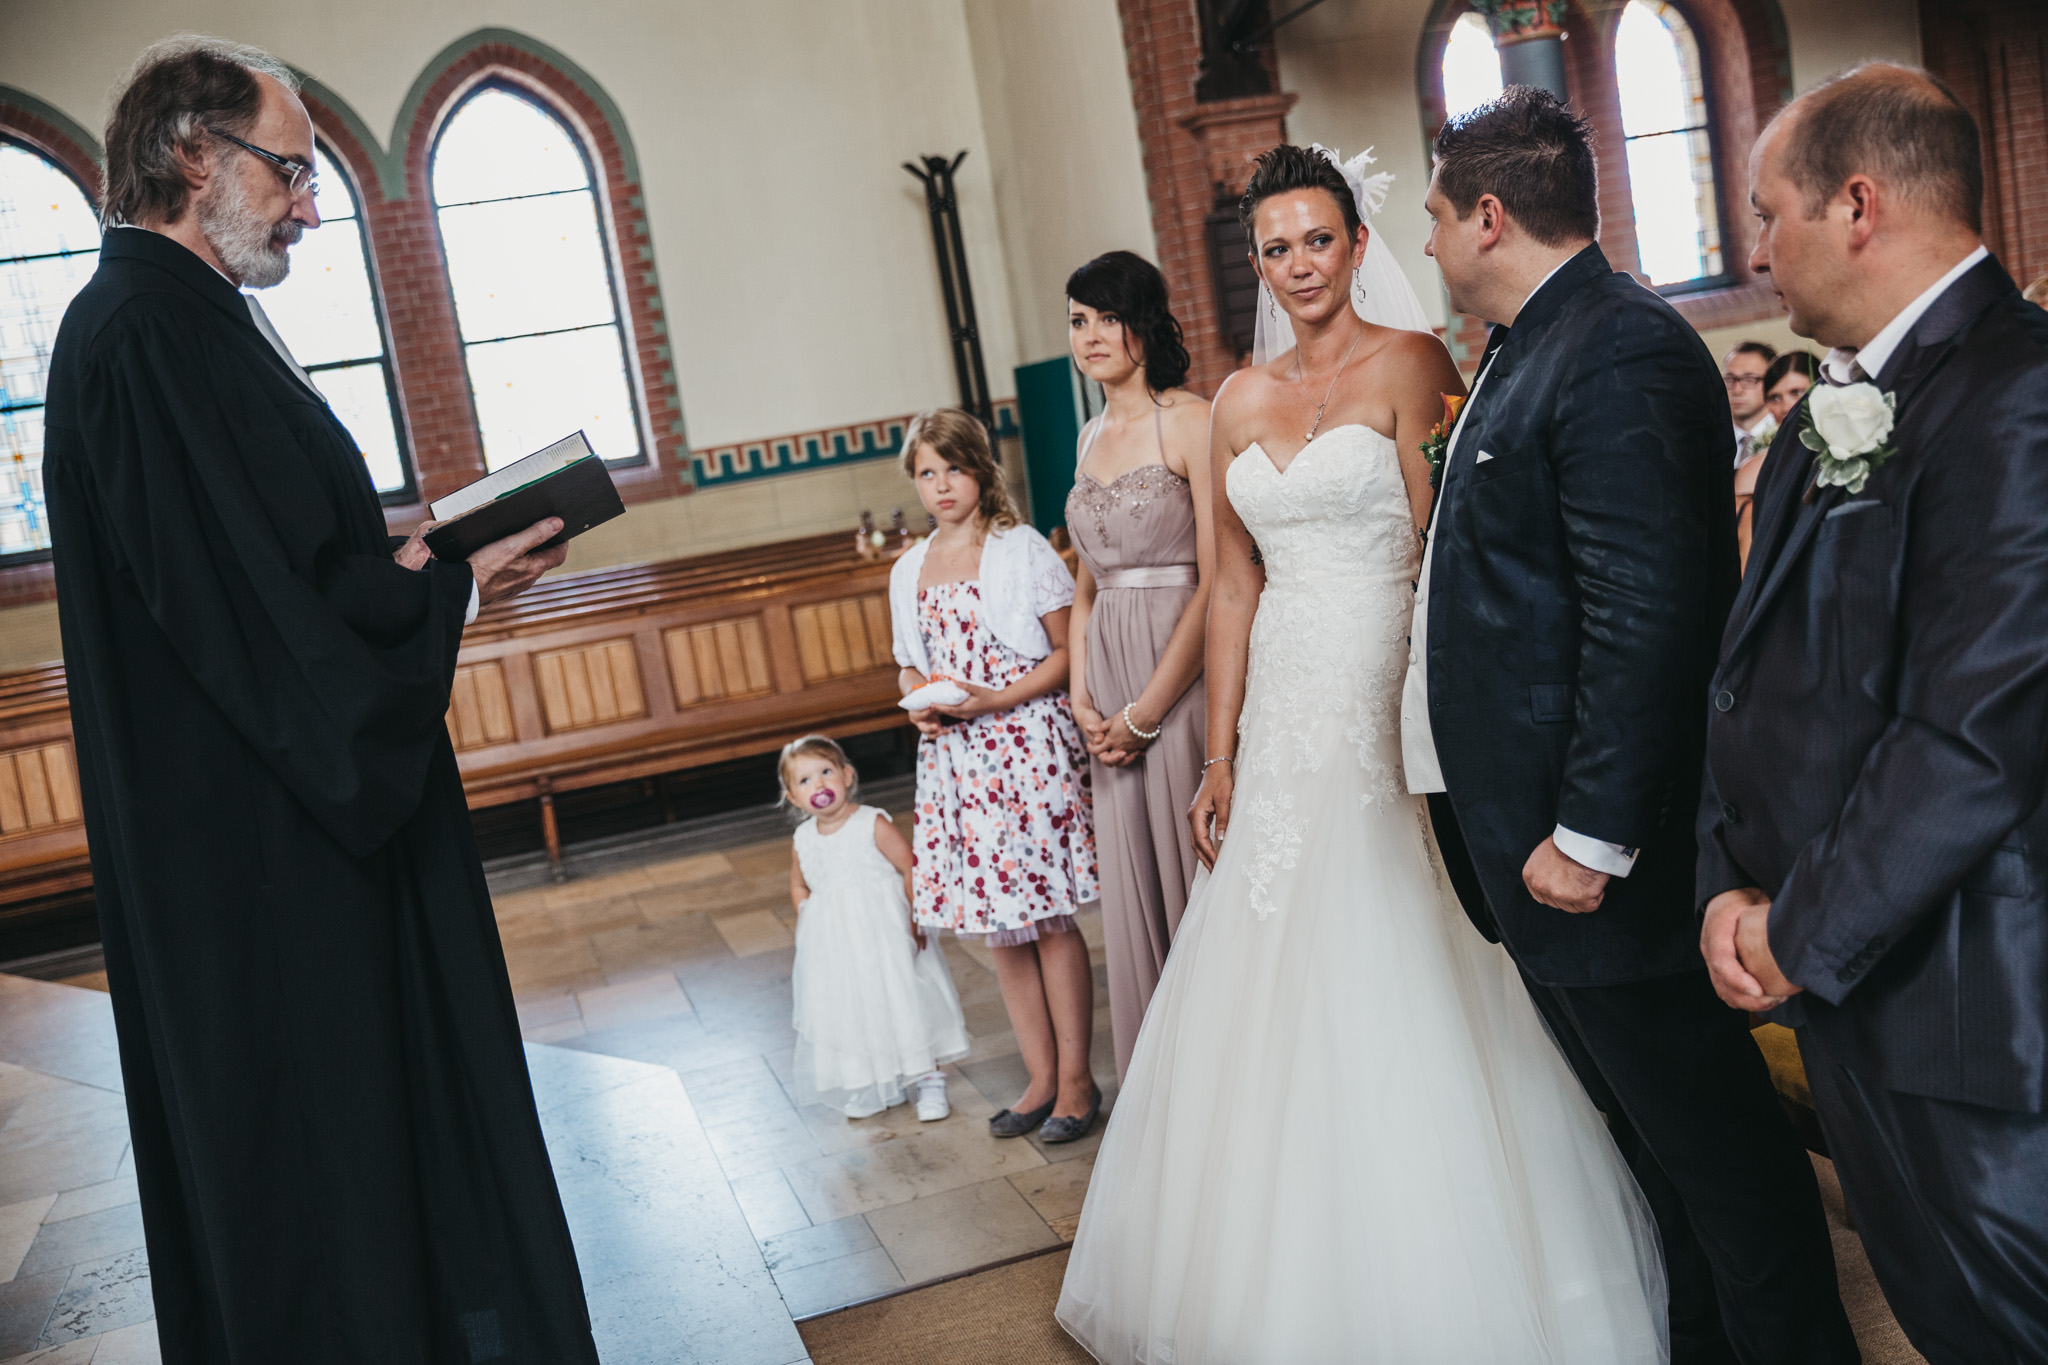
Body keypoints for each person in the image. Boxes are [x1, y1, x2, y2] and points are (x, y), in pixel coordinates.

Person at [1058, 142, 1669, 1363]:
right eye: (1272, 247)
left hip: (1395, 692)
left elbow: (1450, 551)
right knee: (1268, 951)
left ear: (1354, 243)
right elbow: (1230, 588)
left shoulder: (1414, 365)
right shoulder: (1235, 398)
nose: (1295, 266)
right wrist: (1219, 754)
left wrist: (1437, 709)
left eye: (1315, 240)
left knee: (1411, 933)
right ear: (1255, 264)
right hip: (1282, 703)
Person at [42, 37, 596, 1362]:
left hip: (285, 832)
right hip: (257, 865)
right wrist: (440, 586)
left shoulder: (192, 320)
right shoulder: (138, 335)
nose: (310, 201)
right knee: (317, 1162)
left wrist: (434, 560)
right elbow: (255, 631)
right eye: (289, 168)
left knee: (374, 1149)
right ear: (192, 152)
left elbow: (280, 574)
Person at [1402, 89, 1857, 1365]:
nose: (1428, 245)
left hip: (1603, 857)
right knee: (1651, 1149)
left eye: (1436, 218)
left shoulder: (1615, 345)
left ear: (1488, 215)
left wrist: (1592, 834)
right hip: (1528, 842)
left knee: (1720, 1156)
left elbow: (1647, 614)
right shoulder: (1524, 344)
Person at [1699, 62, 2048, 1365]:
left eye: (1768, 211)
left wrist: (1795, 926)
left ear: (1857, 203)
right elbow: (1753, 673)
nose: (1755, 247)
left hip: (1984, 1011)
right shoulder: (1820, 416)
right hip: (1859, 995)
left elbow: (1968, 737)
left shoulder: (2018, 394)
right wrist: (1723, 891)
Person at [888, 409, 1101, 1143]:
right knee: (1000, 927)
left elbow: (1067, 649)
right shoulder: (908, 568)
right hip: (956, 759)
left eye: (954, 468)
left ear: (980, 469)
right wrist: (921, 703)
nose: (942, 485)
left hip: (1023, 746)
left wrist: (998, 697)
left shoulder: (1022, 549)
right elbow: (909, 660)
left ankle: (1077, 1078)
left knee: (1046, 917)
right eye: (927, 473)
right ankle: (1039, 1075)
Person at [1062, 250, 1212, 1081]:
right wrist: (1085, 695)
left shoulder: (1189, 420)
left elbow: (1223, 579)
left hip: (1177, 677)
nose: (1090, 335)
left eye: (1106, 317)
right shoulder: (1089, 437)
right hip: (1108, 679)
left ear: (1144, 322)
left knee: (1192, 877)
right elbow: (1086, 583)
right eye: (1078, 320)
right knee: (1134, 887)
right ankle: (1165, 1082)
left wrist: (1148, 709)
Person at [781, 734, 969, 1122]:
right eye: (805, 781)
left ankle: (928, 1077)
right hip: (840, 947)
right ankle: (878, 1080)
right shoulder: (802, 839)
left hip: (886, 939)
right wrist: (810, 914)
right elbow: (799, 884)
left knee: (902, 1001)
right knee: (856, 1010)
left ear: (848, 776)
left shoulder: (872, 822)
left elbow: (908, 867)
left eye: (826, 772)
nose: (818, 785)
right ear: (793, 798)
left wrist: (917, 916)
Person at [1736, 350, 1820, 568]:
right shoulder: (1752, 469)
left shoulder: (1843, 455)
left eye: (1798, 392)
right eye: (1775, 397)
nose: (1786, 407)